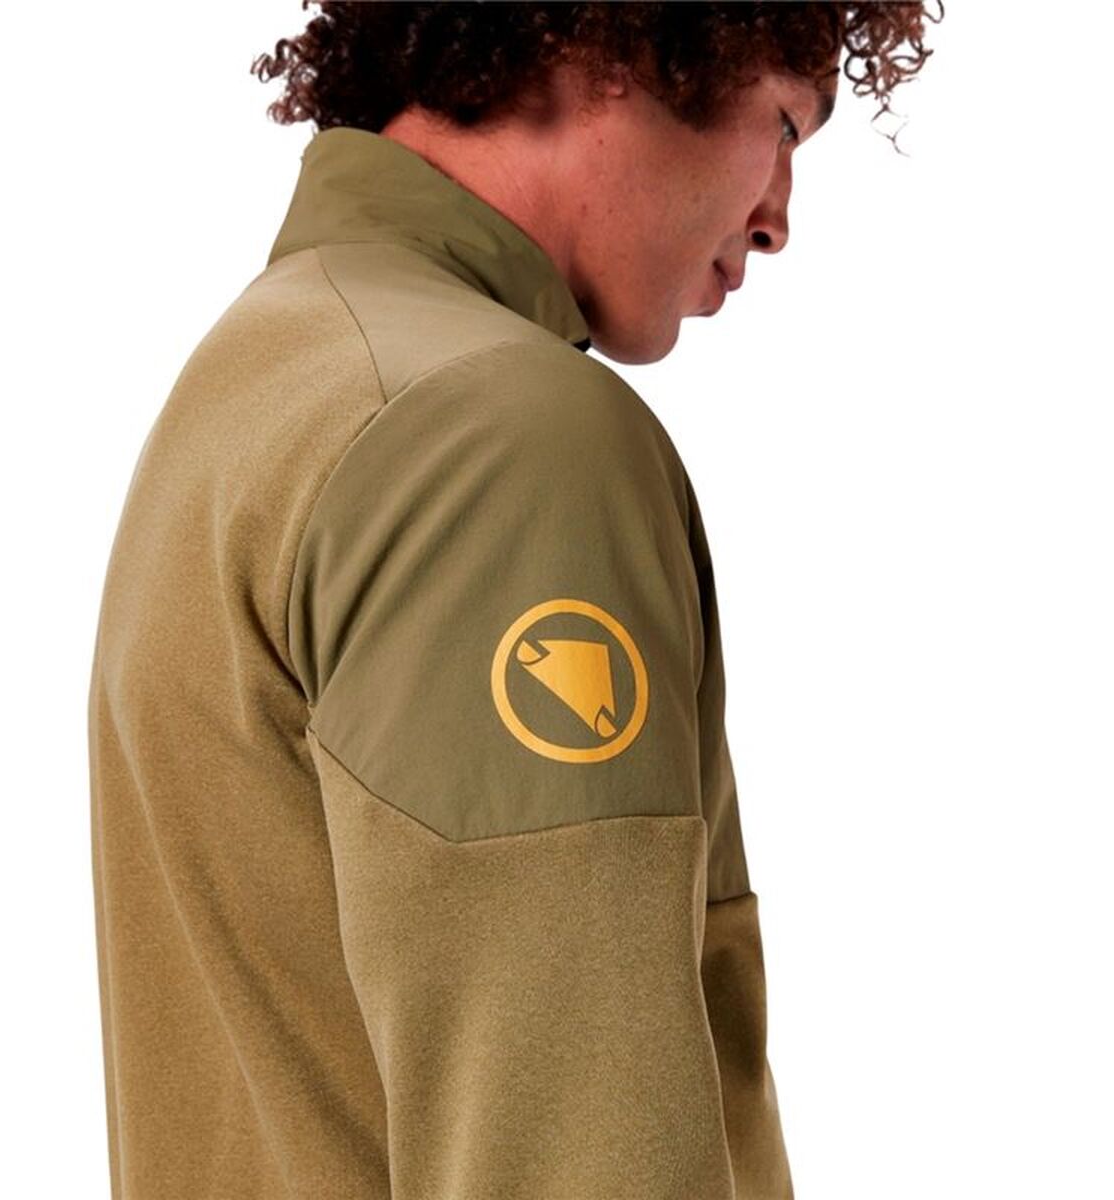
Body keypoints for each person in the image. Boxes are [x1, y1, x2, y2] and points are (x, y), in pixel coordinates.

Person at [88, 4, 939, 1197]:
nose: (777, 217)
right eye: (788, 124)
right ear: (620, 47)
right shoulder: (498, 437)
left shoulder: (266, 371)